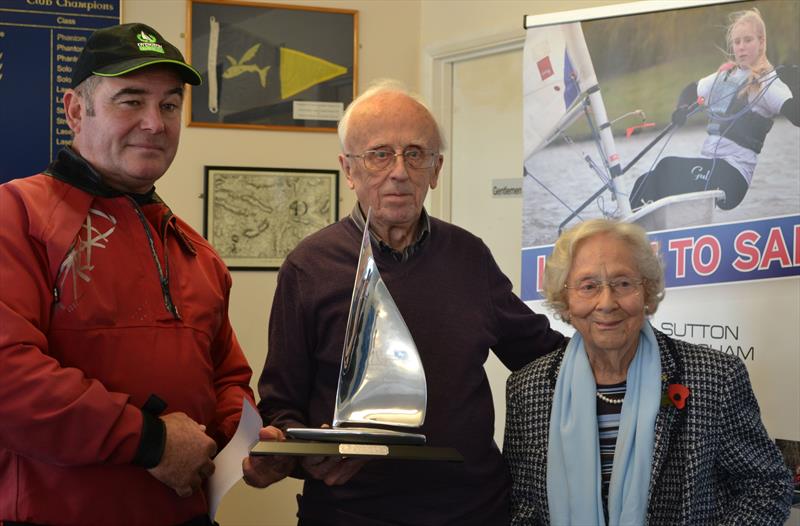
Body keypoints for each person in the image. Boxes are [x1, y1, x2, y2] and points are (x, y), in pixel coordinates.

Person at [0, 23, 289, 525]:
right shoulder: (17, 216)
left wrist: (244, 440)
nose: (155, 123)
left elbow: (228, 378)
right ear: (75, 110)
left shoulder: (195, 250)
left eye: (170, 105)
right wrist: (150, 440)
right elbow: (9, 376)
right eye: (130, 101)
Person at [245, 79, 565, 525]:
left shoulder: (469, 256)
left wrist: (629, 343)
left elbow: (542, 354)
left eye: (416, 154)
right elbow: (281, 403)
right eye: (379, 154)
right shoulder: (308, 267)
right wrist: (304, 456)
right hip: (350, 513)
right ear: (349, 169)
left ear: (435, 169)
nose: (399, 171)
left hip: (472, 510)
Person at [503, 218, 792, 525]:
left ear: (648, 292)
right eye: (588, 286)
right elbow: (523, 506)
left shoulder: (716, 377)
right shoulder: (527, 389)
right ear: (566, 301)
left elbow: (767, 485)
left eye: (623, 283)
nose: (607, 303)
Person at [629, 8, 799, 211]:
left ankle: (631, 235)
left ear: (761, 42)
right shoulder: (725, 76)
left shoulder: (769, 84)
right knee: (643, 182)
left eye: (748, 40)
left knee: (666, 168)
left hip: (732, 178)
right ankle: (636, 229)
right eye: (737, 42)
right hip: (710, 167)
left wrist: (795, 86)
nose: (741, 47)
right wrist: (682, 108)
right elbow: (691, 89)